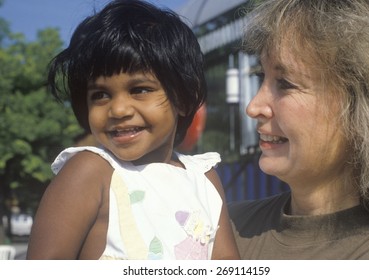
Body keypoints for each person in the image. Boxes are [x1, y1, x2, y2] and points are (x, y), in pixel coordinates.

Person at [27, 0, 239, 260]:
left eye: (139, 89)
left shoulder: (204, 179)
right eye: (101, 94)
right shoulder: (90, 171)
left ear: (183, 99)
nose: (118, 110)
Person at [229, 0, 369, 259]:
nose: (253, 107)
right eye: (262, 77)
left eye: (285, 83)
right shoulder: (218, 229)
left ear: (363, 106)